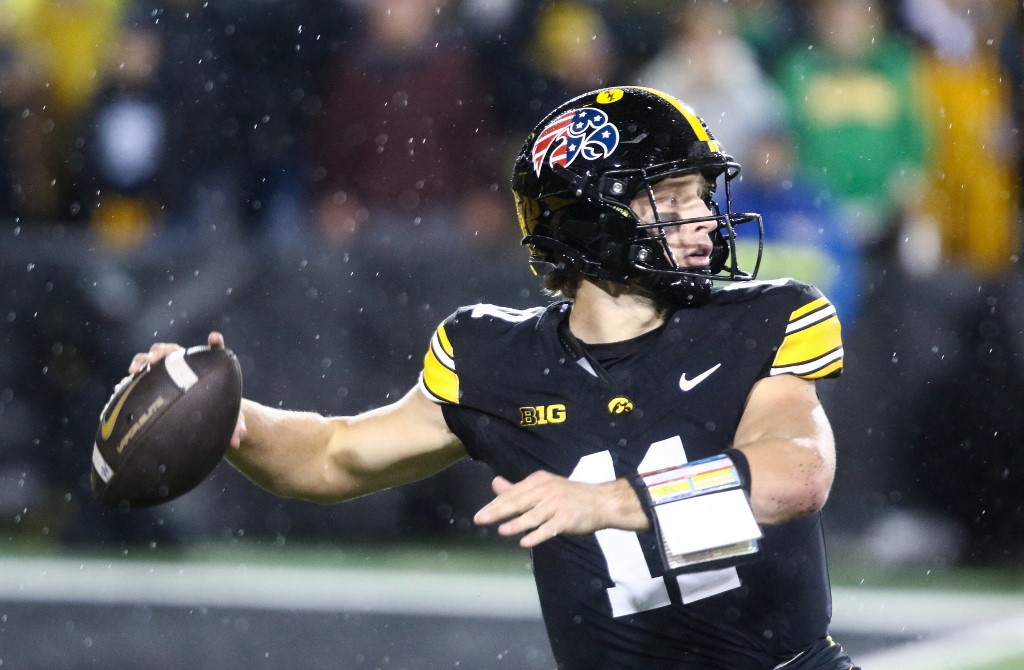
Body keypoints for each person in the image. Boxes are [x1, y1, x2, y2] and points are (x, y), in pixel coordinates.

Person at [130, 87, 858, 669]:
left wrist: (605, 502)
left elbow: (794, 476)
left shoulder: (766, 318)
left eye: (701, 194)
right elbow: (331, 456)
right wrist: (229, 420)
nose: (701, 217)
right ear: (588, 215)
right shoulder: (495, 357)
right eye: (668, 198)